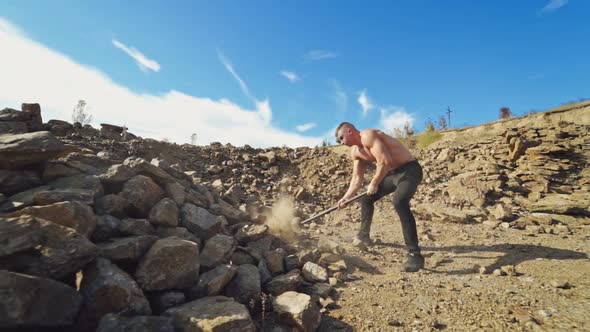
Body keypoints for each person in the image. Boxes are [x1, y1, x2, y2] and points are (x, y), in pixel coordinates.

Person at [335, 122, 425, 272]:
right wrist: (346, 198)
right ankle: (363, 235)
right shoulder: (356, 152)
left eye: (341, 138)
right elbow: (356, 179)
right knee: (366, 199)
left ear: (350, 131)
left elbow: (385, 161)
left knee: (399, 202)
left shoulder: (368, 136)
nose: (341, 142)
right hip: (393, 174)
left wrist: (374, 183)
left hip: (410, 169)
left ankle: (414, 254)